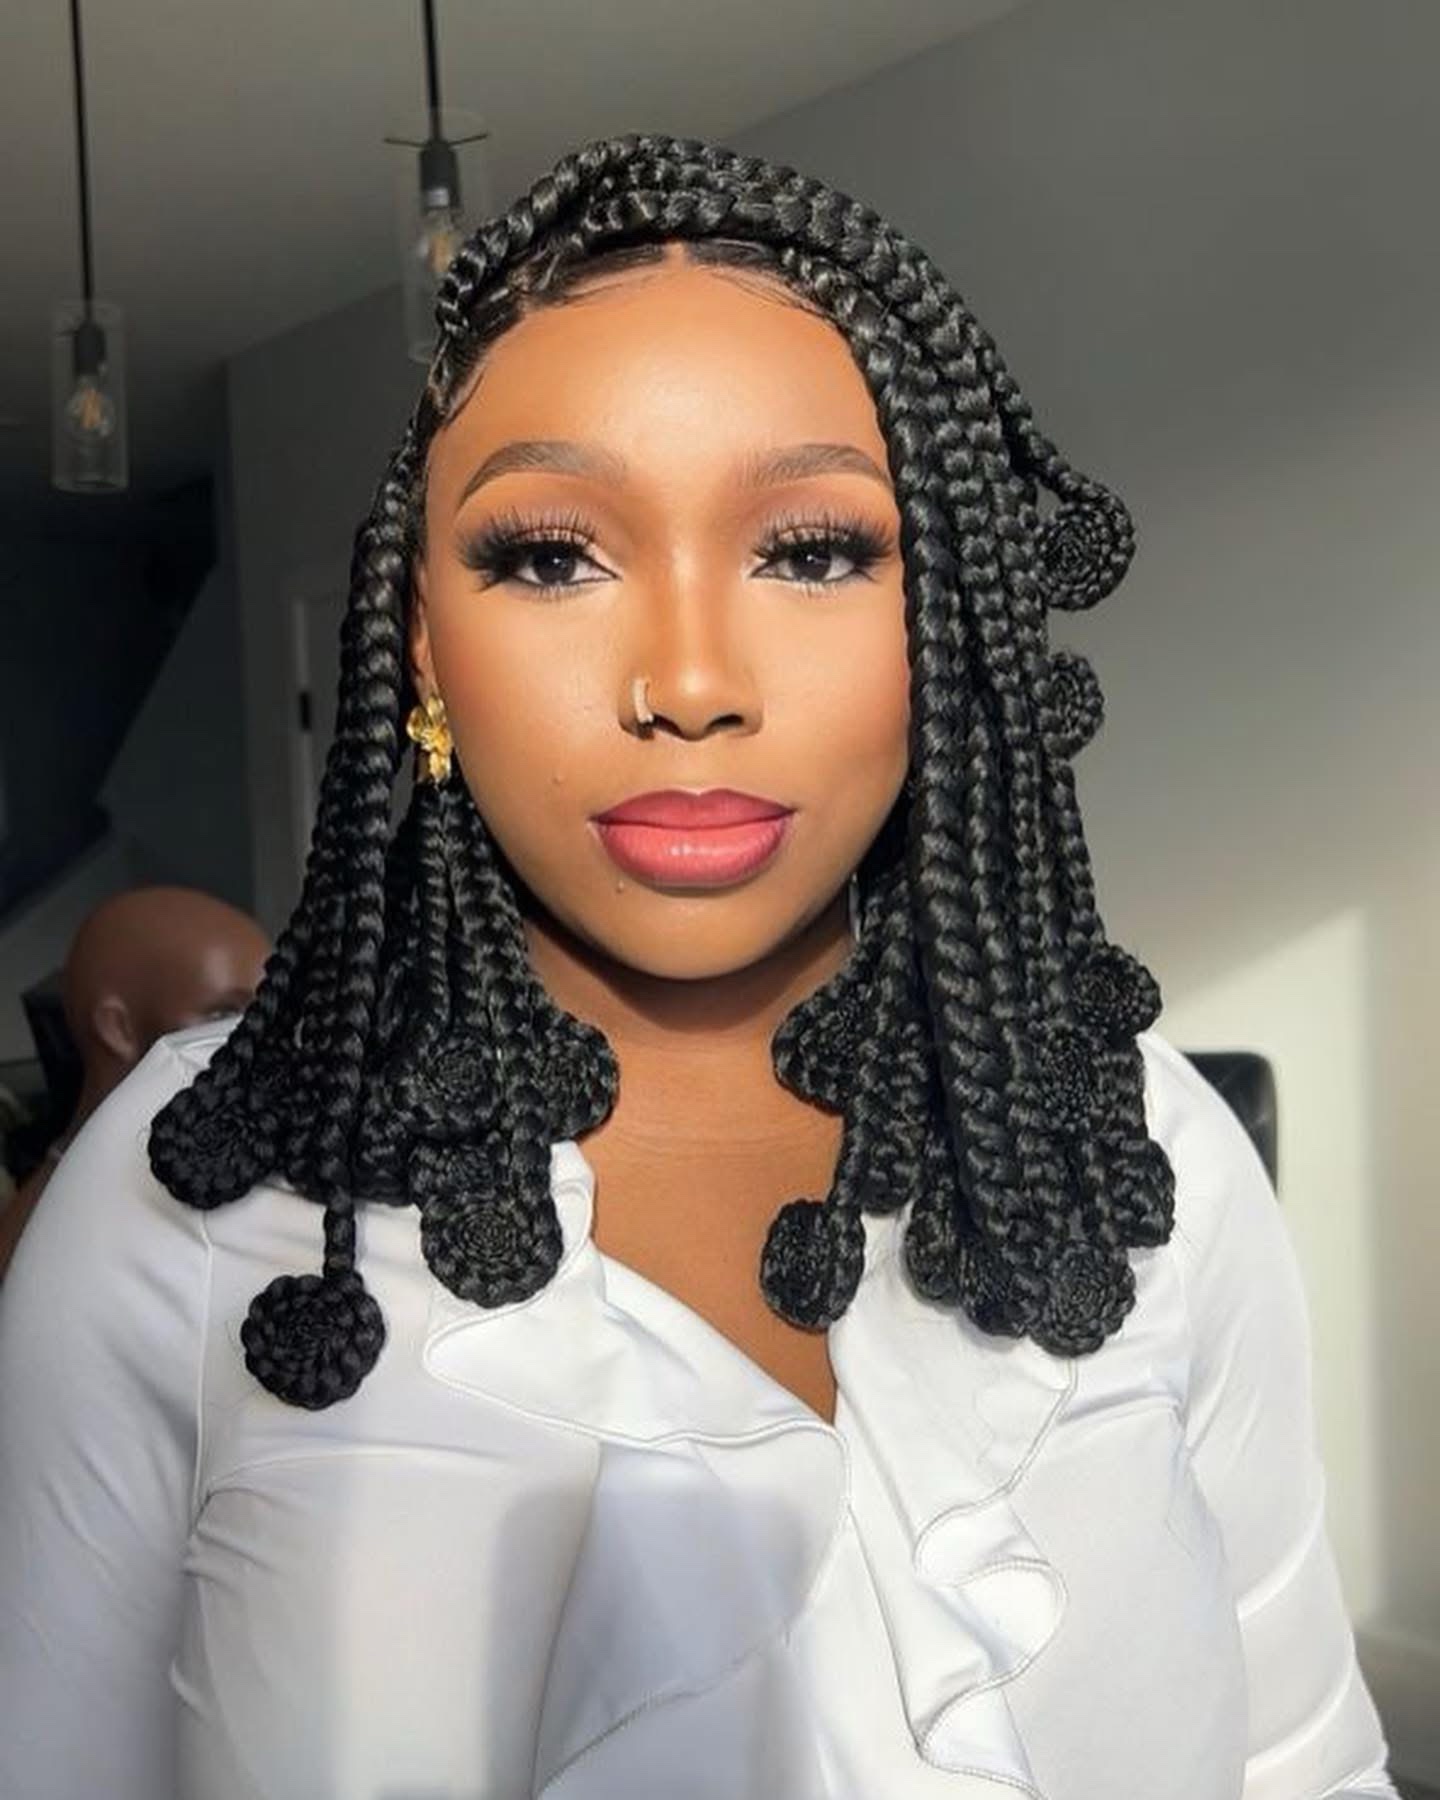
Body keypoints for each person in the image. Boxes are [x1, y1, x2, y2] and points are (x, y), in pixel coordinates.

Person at [0, 134, 1398, 1799]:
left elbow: (1304, 1766)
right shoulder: (188, 1203)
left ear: (947, 619)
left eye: (811, 551)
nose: (686, 681)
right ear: (424, 643)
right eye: (550, 555)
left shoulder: (1146, 1150)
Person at [0, 885, 270, 1281]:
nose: (269, 1038)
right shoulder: (50, 1235)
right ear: (118, 1029)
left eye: (270, 1008)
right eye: (223, 1015)